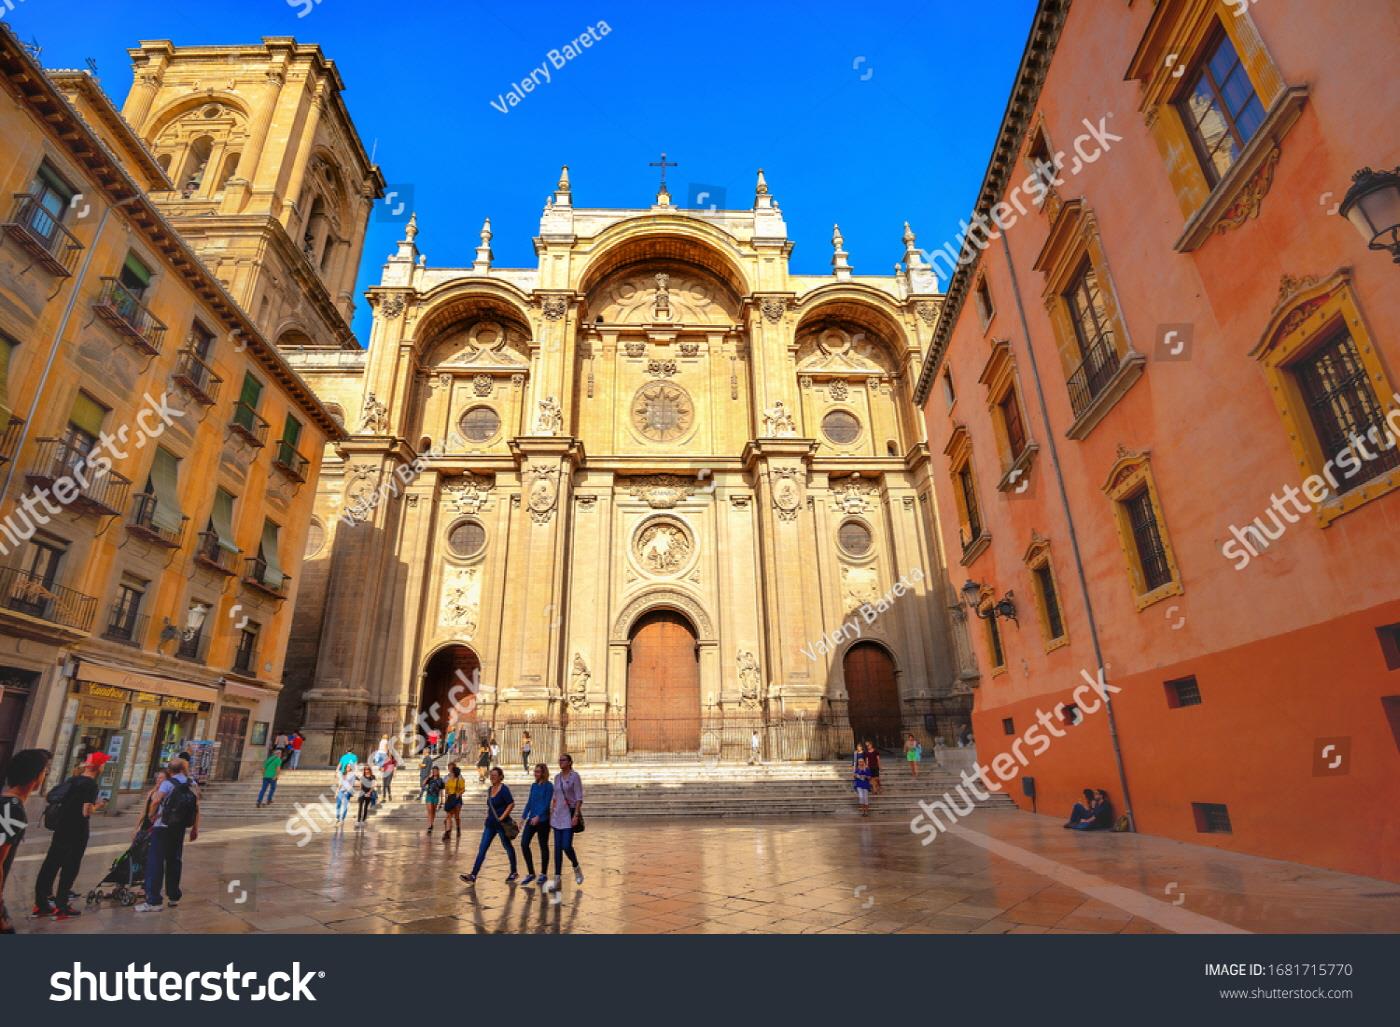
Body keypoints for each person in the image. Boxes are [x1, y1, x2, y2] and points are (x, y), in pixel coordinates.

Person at [33, 752, 107, 920]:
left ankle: (40, 903)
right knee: (70, 867)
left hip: (61, 828)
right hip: (77, 830)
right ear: (98, 767)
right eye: (103, 764)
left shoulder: (72, 780)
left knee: (50, 864)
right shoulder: (90, 785)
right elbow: (85, 811)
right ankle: (61, 905)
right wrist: (99, 805)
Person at [135, 757, 200, 913]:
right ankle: (173, 896)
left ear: (170, 771)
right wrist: (195, 828)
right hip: (179, 828)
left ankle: (154, 900)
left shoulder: (168, 783)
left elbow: (157, 801)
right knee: (174, 860)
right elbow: (196, 806)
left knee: (155, 862)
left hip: (163, 826)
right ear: (184, 769)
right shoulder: (192, 784)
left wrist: (151, 815)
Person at [0, 749, 50, 934]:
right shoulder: (12, 810)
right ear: (36, 776)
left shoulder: (6, 803)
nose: (45, 775)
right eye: (45, 771)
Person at [459, 766, 517, 883]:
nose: (492, 777)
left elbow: (511, 804)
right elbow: (490, 805)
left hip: (501, 824)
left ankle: (514, 871)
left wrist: (502, 816)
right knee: (482, 849)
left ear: (500, 777)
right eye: (491, 775)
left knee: (507, 847)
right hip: (490, 824)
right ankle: (473, 875)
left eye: (495, 776)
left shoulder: (504, 789)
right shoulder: (490, 789)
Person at [543, 753, 583, 893]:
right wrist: (551, 811)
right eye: (559, 760)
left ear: (570, 762)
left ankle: (576, 867)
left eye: (563, 760)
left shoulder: (575, 777)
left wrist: (576, 815)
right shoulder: (557, 777)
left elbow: (579, 797)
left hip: (569, 814)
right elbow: (555, 796)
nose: (560, 762)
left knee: (566, 845)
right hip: (557, 815)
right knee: (557, 849)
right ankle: (557, 880)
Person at [519, 763, 553, 886]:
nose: (535, 773)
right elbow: (530, 802)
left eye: (538, 772)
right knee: (524, 844)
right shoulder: (533, 786)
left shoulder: (549, 786)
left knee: (543, 845)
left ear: (543, 773)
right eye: (535, 771)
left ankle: (543, 873)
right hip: (531, 819)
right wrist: (523, 818)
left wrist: (539, 816)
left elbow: (547, 803)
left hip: (543, 820)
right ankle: (531, 873)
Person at [441, 762, 466, 838]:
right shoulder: (448, 779)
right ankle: (448, 832)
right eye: (449, 768)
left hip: (457, 799)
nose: (451, 770)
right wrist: (445, 799)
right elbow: (446, 790)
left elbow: (463, 789)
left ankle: (458, 828)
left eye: (452, 768)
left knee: (457, 816)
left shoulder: (460, 778)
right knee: (448, 816)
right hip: (450, 798)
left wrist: (459, 793)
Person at [422, 766, 445, 834]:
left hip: (436, 797)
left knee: (433, 811)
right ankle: (429, 825)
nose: (434, 772)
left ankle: (431, 824)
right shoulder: (430, 779)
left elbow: (441, 790)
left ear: (438, 772)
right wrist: (428, 776)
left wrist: (442, 800)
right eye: (433, 771)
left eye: (436, 771)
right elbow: (423, 783)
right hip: (429, 796)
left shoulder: (440, 780)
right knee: (429, 811)